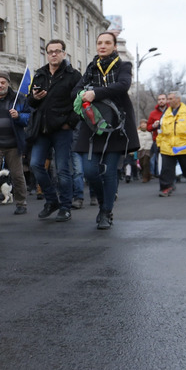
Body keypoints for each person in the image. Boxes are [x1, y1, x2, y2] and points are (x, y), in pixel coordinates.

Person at [71, 31, 140, 229]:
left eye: (107, 43)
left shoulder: (123, 65)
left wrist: (96, 93)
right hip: (92, 125)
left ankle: (106, 212)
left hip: (116, 125)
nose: (102, 46)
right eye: (99, 42)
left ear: (114, 46)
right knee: (90, 171)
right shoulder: (91, 67)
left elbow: (123, 85)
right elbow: (75, 91)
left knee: (110, 172)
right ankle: (103, 204)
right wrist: (85, 93)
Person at [27, 39, 83, 222]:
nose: (53, 54)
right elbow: (30, 102)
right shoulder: (40, 74)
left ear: (64, 54)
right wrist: (34, 97)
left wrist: (70, 123)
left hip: (62, 130)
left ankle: (65, 207)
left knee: (62, 170)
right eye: (50, 51)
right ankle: (52, 201)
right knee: (35, 164)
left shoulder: (73, 75)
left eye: (57, 51)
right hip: (42, 129)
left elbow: (80, 103)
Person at [0, 71, 30, 215]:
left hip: (14, 143)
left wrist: (19, 116)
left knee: (17, 175)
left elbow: (29, 117)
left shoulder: (19, 98)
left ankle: (21, 203)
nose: (0, 85)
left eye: (3, 82)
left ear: (8, 83)